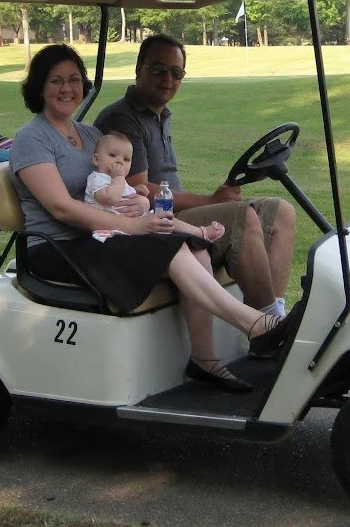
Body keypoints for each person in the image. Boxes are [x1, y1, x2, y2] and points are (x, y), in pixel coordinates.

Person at [9, 43, 286, 392]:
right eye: (56, 81)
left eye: (74, 80)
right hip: (60, 247)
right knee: (166, 245)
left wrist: (140, 204)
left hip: (101, 236)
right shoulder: (31, 139)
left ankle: (204, 358)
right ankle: (256, 324)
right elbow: (61, 207)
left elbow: (120, 184)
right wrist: (135, 225)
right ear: (38, 86)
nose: (67, 89)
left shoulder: (91, 135)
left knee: (195, 245)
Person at [94, 33, 297, 322]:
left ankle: (275, 311)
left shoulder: (160, 115)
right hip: (152, 224)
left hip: (174, 215)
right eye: (158, 70)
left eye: (176, 73)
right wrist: (212, 200)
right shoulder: (123, 118)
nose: (168, 79)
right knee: (243, 217)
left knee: (281, 212)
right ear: (139, 69)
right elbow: (141, 190)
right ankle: (270, 328)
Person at [84, 131, 226, 244]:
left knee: (166, 217)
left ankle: (200, 233)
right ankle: (199, 233)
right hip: (115, 229)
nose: (119, 162)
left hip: (134, 223)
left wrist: (135, 191)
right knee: (163, 220)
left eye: (126, 159)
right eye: (113, 155)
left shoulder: (115, 180)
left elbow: (122, 194)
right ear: (96, 159)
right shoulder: (97, 179)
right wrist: (119, 178)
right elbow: (111, 198)